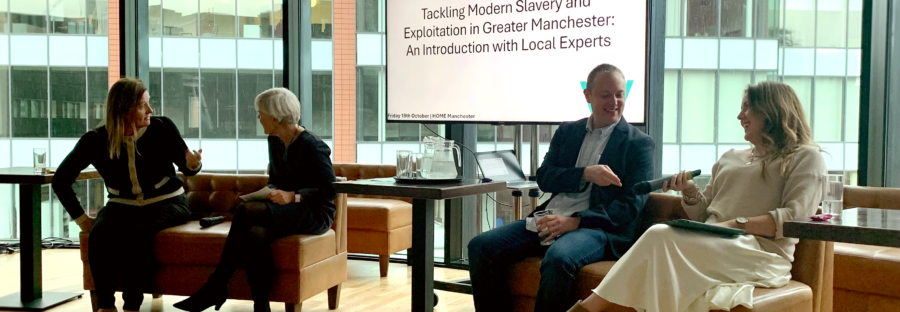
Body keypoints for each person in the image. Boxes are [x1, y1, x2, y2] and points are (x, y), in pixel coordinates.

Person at [567, 81, 827, 312]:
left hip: (759, 253)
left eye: (747, 107)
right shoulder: (730, 157)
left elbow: (795, 219)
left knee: (660, 236)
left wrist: (738, 224)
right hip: (713, 242)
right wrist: (690, 192)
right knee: (662, 256)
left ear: (770, 110)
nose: (740, 116)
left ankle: (588, 308)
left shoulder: (805, 157)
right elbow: (705, 214)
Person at [467, 63, 656, 312]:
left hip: (597, 228)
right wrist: (585, 174)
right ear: (588, 96)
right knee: (480, 246)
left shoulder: (639, 144)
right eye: (605, 95)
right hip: (549, 218)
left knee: (558, 258)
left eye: (620, 94)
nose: (614, 101)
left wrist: (575, 222)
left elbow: (630, 206)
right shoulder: (568, 131)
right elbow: (545, 177)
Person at [173, 87, 336, 312]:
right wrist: (265, 193)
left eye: (261, 113)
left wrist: (294, 196)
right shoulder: (275, 140)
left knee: (245, 212)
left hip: (314, 213)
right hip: (285, 210)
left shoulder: (313, 145)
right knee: (254, 233)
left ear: (276, 117)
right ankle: (261, 306)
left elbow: (330, 189)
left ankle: (217, 286)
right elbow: (277, 180)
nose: (258, 118)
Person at [52, 77, 203, 312]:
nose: (150, 110)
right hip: (121, 204)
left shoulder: (163, 127)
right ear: (125, 108)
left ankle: (132, 306)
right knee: (100, 234)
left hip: (169, 202)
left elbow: (186, 167)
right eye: (143, 105)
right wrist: (82, 220)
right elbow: (60, 180)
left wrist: (192, 164)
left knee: (136, 232)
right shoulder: (95, 140)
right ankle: (105, 306)